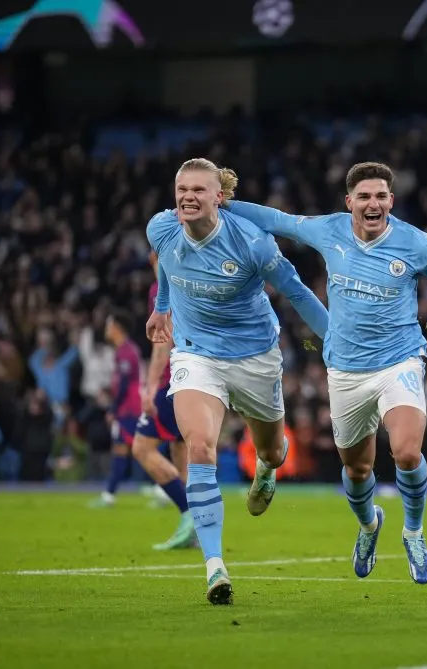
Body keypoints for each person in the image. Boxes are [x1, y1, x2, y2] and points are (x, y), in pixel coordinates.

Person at [226, 161, 427, 585]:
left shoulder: (415, 243)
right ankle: (370, 525)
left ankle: (414, 533)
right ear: (349, 201)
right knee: (356, 469)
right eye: (365, 196)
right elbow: (277, 220)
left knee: (406, 452)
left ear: (392, 201)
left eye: (381, 196)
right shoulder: (328, 229)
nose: (373, 204)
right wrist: (223, 203)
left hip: (400, 360)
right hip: (346, 370)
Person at [145, 158, 329, 605]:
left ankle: (267, 467)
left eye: (198, 190)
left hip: (254, 357)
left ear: (219, 197)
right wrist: (163, 306)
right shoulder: (161, 229)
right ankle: (214, 566)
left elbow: (297, 291)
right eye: (182, 189)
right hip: (196, 354)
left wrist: (337, 341)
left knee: (273, 450)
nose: (188, 197)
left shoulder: (253, 243)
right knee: (200, 447)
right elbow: (166, 265)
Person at [131, 251, 196, 551]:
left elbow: (162, 341)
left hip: (172, 380)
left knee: (142, 447)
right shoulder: (191, 280)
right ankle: (195, 530)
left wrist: (149, 387)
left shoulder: (161, 288)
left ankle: (188, 514)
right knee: (181, 452)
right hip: (196, 377)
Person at [90, 310, 144, 508]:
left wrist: (113, 408)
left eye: (109, 325)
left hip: (129, 409)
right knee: (131, 449)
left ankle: (109, 495)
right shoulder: (126, 350)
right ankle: (110, 494)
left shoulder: (126, 352)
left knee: (134, 449)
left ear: (117, 328)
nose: (106, 329)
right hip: (131, 407)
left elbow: (124, 385)